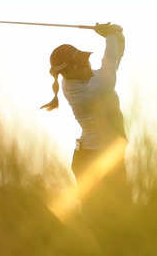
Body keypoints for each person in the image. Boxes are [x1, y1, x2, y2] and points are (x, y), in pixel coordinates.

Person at [41, 23, 126, 183]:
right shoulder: (87, 91)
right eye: (79, 62)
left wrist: (117, 36)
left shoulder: (82, 80)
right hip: (95, 159)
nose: (86, 63)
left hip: (94, 156)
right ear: (69, 71)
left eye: (83, 58)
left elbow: (114, 59)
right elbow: (110, 61)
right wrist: (110, 35)